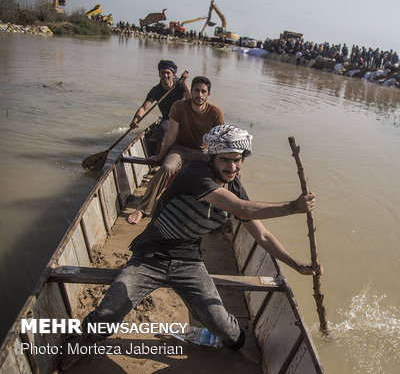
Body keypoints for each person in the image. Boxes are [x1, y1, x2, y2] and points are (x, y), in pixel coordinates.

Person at [59, 125, 322, 371]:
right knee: (110, 310)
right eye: (225, 160)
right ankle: (83, 338)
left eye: (237, 159)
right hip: (150, 256)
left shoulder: (236, 188)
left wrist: (296, 265)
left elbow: (262, 236)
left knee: (221, 323)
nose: (232, 167)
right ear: (212, 158)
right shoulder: (196, 173)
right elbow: (240, 209)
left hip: (188, 261)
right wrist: (292, 207)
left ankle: (240, 342)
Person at [126, 76, 225, 224]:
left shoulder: (215, 113)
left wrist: (222, 164)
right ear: (191, 91)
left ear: (208, 94)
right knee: (166, 167)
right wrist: (161, 155)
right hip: (180, 149)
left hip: (203, 153)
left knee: (214, 177)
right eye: (196, 90)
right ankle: (142, 208)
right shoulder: (179, 107)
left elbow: (220, 141)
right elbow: (171, 134)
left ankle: (209, 214)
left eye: (203, 91)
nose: (199, 95)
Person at [131, 60, 191, 135]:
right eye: (163, 72)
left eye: (168, 73)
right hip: (168, 119)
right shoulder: (155, 91)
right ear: (159, 74)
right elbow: (144, 108)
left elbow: (190, 100)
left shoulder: (180, 85)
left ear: (174, 75)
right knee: (164, 129)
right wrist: (136, 119)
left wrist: (184, 81)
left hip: (184, 118)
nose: (165, 75)